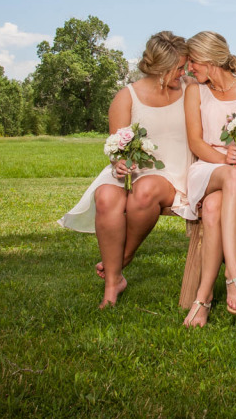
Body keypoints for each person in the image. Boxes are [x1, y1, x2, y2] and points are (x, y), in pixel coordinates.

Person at [58, 31, 192, 309]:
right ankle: (112, 284)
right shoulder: (127, 96)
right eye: (179, 67)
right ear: (161, 68)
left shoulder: (191, 89)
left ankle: (121, 260)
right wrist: (117, 163)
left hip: (174, 173)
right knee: (106, 196)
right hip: (133, 169)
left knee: (146, 190)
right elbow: (116, 146)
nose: (184, 71)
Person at [181, 31, 236, 327]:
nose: (189, 68)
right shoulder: (195, 91)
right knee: (229, 178)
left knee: (212, 208)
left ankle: (203, 298)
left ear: (209, 60)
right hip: (208, 167)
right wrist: (224, 160)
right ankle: (234, 274)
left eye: (193, 61)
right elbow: (195, 142)